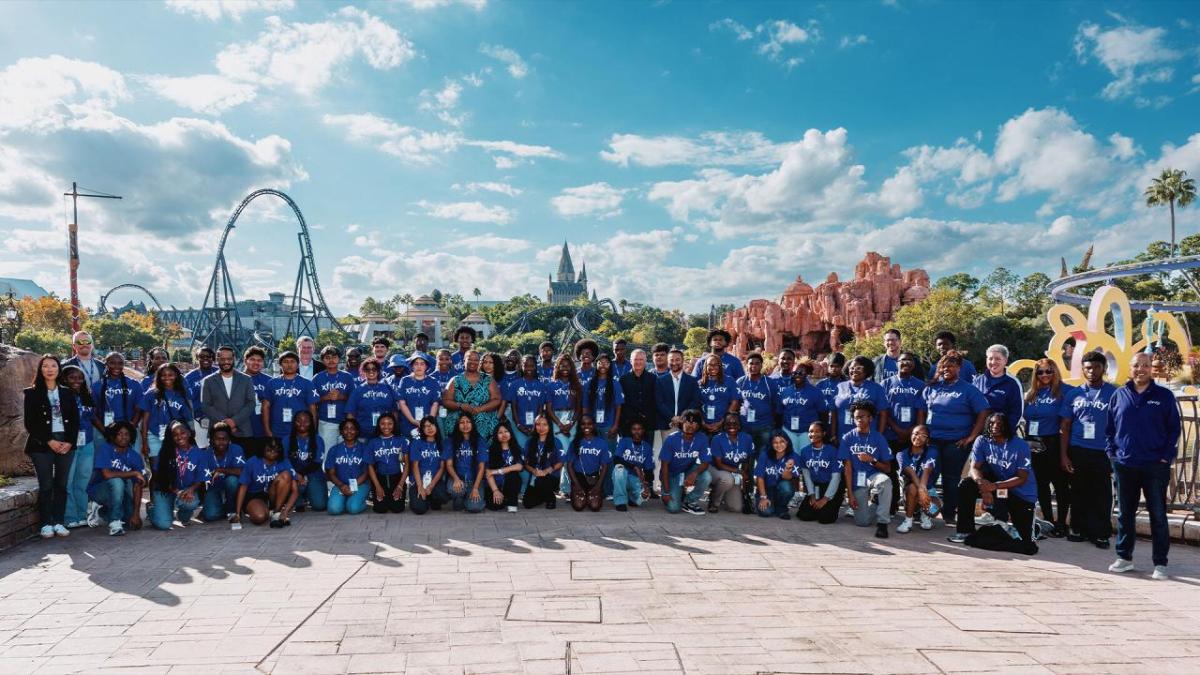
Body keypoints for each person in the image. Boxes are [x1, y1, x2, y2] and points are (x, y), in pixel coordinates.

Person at [1107, 352, 1181, 580]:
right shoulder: (1119, 394)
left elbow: (1174, 429)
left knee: (1157, 515)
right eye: (1136, 365)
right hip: (1125, 464)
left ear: (1151, 369)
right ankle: (1124, 558)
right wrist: (1112, 454)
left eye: (1145, 365)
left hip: (1154, 466)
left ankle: (1160, 563)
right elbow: (1110, 428)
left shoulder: (1164, 396)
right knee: (1125, 514)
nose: (1141, 369)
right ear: (1130, 368)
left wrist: (1165, 457)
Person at [947, 413, 1037, 551]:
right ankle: (965, 531)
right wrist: (982, 486)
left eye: (999, 424)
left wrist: (993, 486)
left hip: (1021, 494)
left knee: (1025, 539)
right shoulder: (982, 440)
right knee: (966, 485)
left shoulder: (1020, 445)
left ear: (1007, 426)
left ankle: (1037, 527)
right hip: (999, 488)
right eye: (991, 423)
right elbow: (974, 468)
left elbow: (1022, 478)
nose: (995, 426)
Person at [923, 350, 990, 526]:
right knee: (927, 474)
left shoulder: (968, 389)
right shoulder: (933, 387)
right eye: (943, 366)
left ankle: (949, 513)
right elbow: (922, 410)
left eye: (951, 366)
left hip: (956, 442)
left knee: (950, 479)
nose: (946, 369)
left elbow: (983, 412)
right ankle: (927, 510)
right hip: (933, 440)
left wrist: (972, 437)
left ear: (959, 368)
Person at [1060, 350, 1118, 548]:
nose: (1092, 371)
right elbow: (1065, 426)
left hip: (1103, 451)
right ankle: (1077, 529)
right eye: (1088, 368)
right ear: (1083, 370)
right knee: (1078, 491)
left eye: (1096, 367)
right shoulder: (1074, 394)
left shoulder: (1114, 393)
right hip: (1078, 449)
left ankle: (1100, 533)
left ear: (1104, 368)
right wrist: (1064, 455)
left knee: (1102, 494)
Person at [24, 354, 81, 538]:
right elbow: (30, 423)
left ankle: (59, 521)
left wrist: (70, 442)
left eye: (53, 366)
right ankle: (46, 523)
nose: (50, 369)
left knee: (62, 485)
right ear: (40, 370)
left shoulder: (67, 392)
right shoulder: (32, 393)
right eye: (45, 366)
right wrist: (49, 440)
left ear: (59, 369)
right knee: (46, 484)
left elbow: (75, 420)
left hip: (66, 442)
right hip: (41, 444)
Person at [1023, 358, 1071, 537]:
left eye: (1048, 371)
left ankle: (1062, 523)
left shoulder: (1065, 391)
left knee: (1060, 485)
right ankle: (1049, 521)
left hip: (1054, 442)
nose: (1044, 375)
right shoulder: (1031, 394)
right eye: (1040, 372)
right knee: (1041, 485)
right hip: (1033, 442)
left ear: (1055, 371)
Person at [839, 400, 894, 538]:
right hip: (857, 481)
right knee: (862, 522)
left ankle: (882, 523)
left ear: (870, 418)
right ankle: (876, 501)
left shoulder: (879, 438)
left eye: (862, 416)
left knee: (885, 481)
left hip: (873, 476)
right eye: (856, 417)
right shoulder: (847, 438)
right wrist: (850, 494)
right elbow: (847, 469)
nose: (859, 420)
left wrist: (872, 460)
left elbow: (887, 468)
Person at [883, 352, 927, 515]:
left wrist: (914, 432)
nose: (906, 363)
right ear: (897, 363)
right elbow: (884, 411)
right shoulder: (886, 383)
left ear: (914, 365)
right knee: (890, 471)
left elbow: (921, 411)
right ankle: (892, 505)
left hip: (912, 437)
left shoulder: (921, 385)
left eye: (910, 360)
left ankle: (913, 507)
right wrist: (896, 429)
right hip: (891, 434)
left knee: (911, 472)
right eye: (902, 360)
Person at [149, 421, 213, 530]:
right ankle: (152, 509)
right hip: (166, 490)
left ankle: (183, 516)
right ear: (171, 437)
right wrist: (177, 491)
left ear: (189, 433)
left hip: (187, 489)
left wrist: (192, 489)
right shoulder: (165, 452)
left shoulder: (199, 453)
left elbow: (201, 478)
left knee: (190, 503)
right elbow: (160, 478)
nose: (179, 437)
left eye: (182, 433)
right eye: (175, 435)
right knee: (163, 525)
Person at [91, 421, 146, 535]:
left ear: (131, 436)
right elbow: (107, 475)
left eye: (126, 434)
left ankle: (102, 511)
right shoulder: (106, 449)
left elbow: (138, 484)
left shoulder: (134, 456)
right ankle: (114, 521)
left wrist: (136, 514)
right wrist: (133, 473)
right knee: (117, 481)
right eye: (119, 434)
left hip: (119, 494)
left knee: (130, 520)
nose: (123, 437)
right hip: (99, 491)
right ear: (113, 436)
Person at [201, 345, 257, 452]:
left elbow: (251, 403)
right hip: (218, 432)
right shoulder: (208, 381)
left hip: (242, 431)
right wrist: (225, 423)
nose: (226, 362)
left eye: (229, 359)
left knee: (243, 461)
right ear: (217, 360)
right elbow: (206, 406)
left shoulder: (246, 379)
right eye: (222, 359)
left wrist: (234, 421)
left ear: (234, 359)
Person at [61, 364, 96, 529]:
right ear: (64, 379)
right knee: (68, 480)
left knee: (83, 480)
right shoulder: (61, 396)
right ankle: (69, 516)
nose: (77, 381)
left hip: (87, 442)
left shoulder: (86, 396)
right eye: (72, 378)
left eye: (80, 378)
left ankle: (82, 515)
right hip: (69, 443)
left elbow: (92, 417)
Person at [234, 437, 297, 528]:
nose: (272, 452)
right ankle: (267, 511)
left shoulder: (284, 461)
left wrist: (286, 511)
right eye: (269, 449)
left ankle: (276, 512)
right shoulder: (252, 462)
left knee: (286, 475)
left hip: (274, 495)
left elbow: (295, 490)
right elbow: (243, 487)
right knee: (259, 517)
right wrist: (237, 513)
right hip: (255, 496)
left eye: (276, 450)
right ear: (262, 449)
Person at [138, 363, 193, 465]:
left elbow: (187, 419)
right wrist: (144, 442)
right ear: (158, 377)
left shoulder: (182, 394)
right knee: (156, 468)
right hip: (154, 435)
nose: (167, 378)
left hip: (175, 436)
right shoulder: (151, 394)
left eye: (170, 375)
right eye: (163, 375)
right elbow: (145, 421)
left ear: (176, 376)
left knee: (173, 468)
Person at [659, 409, 711, 515]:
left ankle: (689, 501)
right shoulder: (671, 439)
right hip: (672, 474)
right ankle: (676, 491)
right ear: (681, 423)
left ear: (699, 425)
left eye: (694, 422)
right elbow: (664, 467)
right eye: (687, 422)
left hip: (687, 470)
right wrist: (666, 492)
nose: (690, 425)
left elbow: (705, 463)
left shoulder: (702, 438)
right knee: (673, 508)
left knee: (706, 477)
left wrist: (694, 474)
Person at [442, 350, 501, 443]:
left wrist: (480, 409)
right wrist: (461, 406)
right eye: (470, 359)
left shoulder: (488, 379)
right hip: (459, 424)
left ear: (479, 362)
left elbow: (496, 399)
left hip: (485, 424)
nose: (473, 362)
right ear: (464, 361)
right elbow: (446, 401)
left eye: (476, 360)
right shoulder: (455, 380)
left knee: (484, 450)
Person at [736, 353, 777, 484]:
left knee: (763, 458)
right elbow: (735, 403)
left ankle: (762, 489)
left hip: (764, 427)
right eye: (751, 363)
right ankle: (747, 489)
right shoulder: (740, 382)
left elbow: (776, 405)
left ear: (761, 365)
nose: (753, 366)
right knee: (746, 459)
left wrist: (774, 425)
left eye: (757, 363)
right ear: (746, 365)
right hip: (745, 427)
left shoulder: (769, 383)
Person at [92, 352, 143, 448]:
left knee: (131, 457)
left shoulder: (134, 384)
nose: (116, 366)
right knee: (105, 457)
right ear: (106, 364)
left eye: (120, 363)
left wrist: (130, 428)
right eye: (112, 363)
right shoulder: (97, 386)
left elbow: (139, 410)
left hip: (128, 432)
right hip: (104, 431)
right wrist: (106, 432)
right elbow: (93, 413)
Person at [655, 347, 701, 452]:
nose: (674, 363)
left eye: (677, 360)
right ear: (668, 361)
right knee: (667, 455)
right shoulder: (660, 381)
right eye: (671, 360)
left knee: (684, 454)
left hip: (686, 424)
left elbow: (695, 401)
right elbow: (659, 402)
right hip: (667, 425)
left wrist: (682, 417)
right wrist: (672, 417)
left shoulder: (692, 381)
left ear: (682, 361)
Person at [797, 421, 844, 524]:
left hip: (831, 486)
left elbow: (836, 477)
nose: (813, 434)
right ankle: (819, 508)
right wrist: (812, 495)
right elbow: (807, 476)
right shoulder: (805, 451)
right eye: (811, 431)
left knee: (825, 519)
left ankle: (830, 505)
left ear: (824, 433)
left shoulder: (832, 451)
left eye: (817, 431)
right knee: (804, 515)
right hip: (816, 487)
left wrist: (825, 499)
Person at [896, 424, 939, 533]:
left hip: (927, 489)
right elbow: (911, 473)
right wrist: (921, 490)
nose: (918, 437)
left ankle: (925, 515)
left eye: (923, 435)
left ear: (927, 440)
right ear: (911, 435)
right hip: (910, 492)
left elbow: (927, 470)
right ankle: (908, 520)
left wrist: (924, 491)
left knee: (935, 510)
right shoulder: (901, 454)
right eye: (916, 434)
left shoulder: (932, 451)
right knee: (913, 488)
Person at [324, 418, 371, 516]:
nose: (349, 431)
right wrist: (342, 485)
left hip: (360, 484)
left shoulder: (364, 448)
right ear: (341, 431)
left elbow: (366, 473)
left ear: (357, 431)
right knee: (333, 509)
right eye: (346, 428)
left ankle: (359, 502)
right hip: (341, 484)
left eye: (352, 428)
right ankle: (346, 501)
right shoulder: (334, 449)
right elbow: (331, 473)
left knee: (353, 508)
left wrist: (353, 487)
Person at [313, 345, 356, 452]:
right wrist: (325, 397)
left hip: (345, 421)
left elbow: (354, 400)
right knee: (327, 452)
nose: (331, 360)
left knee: (344, 453)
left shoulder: (347, 377)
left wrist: (341, 396)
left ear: (339, 359)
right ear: (322, 360)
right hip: (326, 421)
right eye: (327, 358)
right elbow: (312, 401)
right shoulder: (317, 378)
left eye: (334, 357)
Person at [777, 360, 828, 452]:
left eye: (801, 373)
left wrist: (822, 433)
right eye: (795, 373)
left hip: (807, 433)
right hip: (788, 431)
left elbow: (823, 414)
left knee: (806, 458)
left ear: (806, 374)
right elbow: (779, 413)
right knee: (791, 458)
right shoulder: (785, 392)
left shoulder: (816, 392)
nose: (797, 375)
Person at [708, 413, 753, 514]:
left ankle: (723, 492)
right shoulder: (717, 439)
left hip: (733, 472)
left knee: (736, 508)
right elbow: (719, 465)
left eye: (735, 423)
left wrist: (744, 476)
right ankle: (714, 501)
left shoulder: (747, 438)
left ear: (739, 425)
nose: (732, 426)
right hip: (715, 469)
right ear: (724, 426)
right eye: (728, 424)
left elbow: (746, 459)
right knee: (727, 480)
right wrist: (739, 471)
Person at [973, 344, 1023, 434]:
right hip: (978, 433)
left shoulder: (1013, 383)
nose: (993, 362)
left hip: (1002, 434)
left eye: (997, 359)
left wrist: (1004, 433)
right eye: (990, 358)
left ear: (1005, 361)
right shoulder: (978, 381)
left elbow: (1017, 412)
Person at [283, 410, 327, 512]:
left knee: (319, 506)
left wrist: (302, 474)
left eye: (306, 421)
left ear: (311, 423)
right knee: (291, 479)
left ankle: (310, 493)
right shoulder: (286, 439)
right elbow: (285, 461)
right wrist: (296, 475)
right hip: (294, 474)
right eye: (299, 421)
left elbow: (317, 463)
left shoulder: (318, 439)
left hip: (313, 473)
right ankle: (299, 499)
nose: (302, 424)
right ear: (294, 422)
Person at [566, 414, 610, 512]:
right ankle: (579, 494)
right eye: (583, 424)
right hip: (578, 478)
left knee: (595, 506)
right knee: (578, 506)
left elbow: (604, 466)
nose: (586, 426)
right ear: (580, 426)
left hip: (594, 478)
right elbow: (569, 465)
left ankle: (589, 496)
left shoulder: (601, 443)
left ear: (594, 425)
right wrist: (576, 484)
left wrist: (598, 486)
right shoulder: (575, 442)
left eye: (589, 424)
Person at [201, 422, 243, 522]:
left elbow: (242, 472)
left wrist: (220, 470)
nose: (221, 442)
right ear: (211, 440)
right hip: (214, 487)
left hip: (231, 486)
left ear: (229, 439)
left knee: (232, 481)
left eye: (224, 439)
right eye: (217, 439)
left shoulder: (236, 449)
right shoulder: (205, 454)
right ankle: (222, 508)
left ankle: (232, 510)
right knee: (210, 516)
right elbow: (201, 481)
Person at [346, 359, 397, 440]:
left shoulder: (387, 388)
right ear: (363, 371)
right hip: (363, 435)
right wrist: (354, 432)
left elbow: (394, 411)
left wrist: (395, 430)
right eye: (368, 369)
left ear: (378, 371)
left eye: (374, 369)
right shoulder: (358, 390)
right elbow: (350, 414)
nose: (371, 371)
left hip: (384, 434)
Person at [445, 414, 487, 513]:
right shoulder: (450, 441)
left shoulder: (480, 441)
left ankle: (469, 499)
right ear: (457, 425)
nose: (465, 425)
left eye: (468, 422)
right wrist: (456, 479)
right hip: (458, 477)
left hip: (474, 480)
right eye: (462, 422)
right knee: (454, 490)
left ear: (472, 424)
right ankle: (460, 499)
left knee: (475, 508)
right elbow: (449, 465)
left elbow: (481, 467)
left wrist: (475, 488)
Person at [367, 413, 408, 514]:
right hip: (380, 478)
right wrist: (377, 486)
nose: (386, 426)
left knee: (397, 509)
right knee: (380, 509)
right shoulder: (373, 442)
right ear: (378, 425)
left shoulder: (401, 440)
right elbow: (370, 466)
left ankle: (391, 499)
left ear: (394, 425)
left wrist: (400, 486)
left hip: (397, 478)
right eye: (383, 424)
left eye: (390, 423)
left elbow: (407, 464)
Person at [506, 355, 547, 453]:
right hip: (519, 424)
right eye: (526, 365)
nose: (529, 368)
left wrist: (536, 425)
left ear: (535, 367)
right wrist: (518, 425)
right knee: (520, 451)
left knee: (533, 452)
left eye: (531, 366)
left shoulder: (541, 385)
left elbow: (541, 408)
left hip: (535, 426)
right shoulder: (515, 384)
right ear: (521, 366)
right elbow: (513, 407)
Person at [409, 416, 451, 514]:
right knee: (419, 509)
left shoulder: (443, 444)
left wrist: (431, 486)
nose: (429, 428)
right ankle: (420, 499)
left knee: (443, 497)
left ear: (437, 426)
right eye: (426, 426)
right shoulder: (417, 443)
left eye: (432, 425)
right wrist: (420, 486)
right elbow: (415, 466)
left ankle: (431, 498)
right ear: (422, 429)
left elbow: (442, 468)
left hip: (434, 480)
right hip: (418, 481)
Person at [523, 414, 565, 509]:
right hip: (535, 475)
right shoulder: (529, 442)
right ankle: (544, 496)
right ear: (534, 426)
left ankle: (551, 499)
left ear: (550, 426)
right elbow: (525, 463)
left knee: (541, 481)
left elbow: (561, 462)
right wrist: (533, 471)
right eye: (538, 424)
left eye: (545, 424)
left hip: (551, 476)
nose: (541, 428)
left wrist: (546, 471)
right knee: (527, 503)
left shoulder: (556, 442)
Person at [396, 352, 441, 440]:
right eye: (416, 364)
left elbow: (435, 404)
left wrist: (428, 422)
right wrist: (413, 420)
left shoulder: (433, 381)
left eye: (422, 364)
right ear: (412, 366)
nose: (419, 366)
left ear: (426, 366)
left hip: (427, 425)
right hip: (408, 423)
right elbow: (402, 403)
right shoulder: (405, 380)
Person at [754, 431, 799, 519]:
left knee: (786, 487)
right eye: (775, 442)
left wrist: (788, 468)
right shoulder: (765, 454)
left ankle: (781, 508)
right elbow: (760, 477)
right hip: (766, 489)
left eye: (782, 441)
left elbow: (787, 477)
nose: (779, 445)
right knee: (766, 512)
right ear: (771, 444)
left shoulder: (794, 456)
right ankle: (770, 504)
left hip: (780, 489)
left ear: (787, 442)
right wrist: (763, 497)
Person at [611, 420, 654, 512]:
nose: (637, 432)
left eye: (639, 429)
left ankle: (632, 498)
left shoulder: (647, 446)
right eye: (634, 429)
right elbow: (616, 459)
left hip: (636, 478)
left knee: (641, 499)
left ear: (643, 430)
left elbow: (648, 469)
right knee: (619, 469)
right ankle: (620, 502)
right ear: (630, 430)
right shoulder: (624, 441)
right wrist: (634, 466)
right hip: (623, 476)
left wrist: (647, 486)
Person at [546, 354, 583, 458]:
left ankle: (569, 468)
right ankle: (561, 468)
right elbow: (549, 408)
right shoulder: (551, 385)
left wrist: (571, 423)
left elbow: (578, 408)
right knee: (560, 447)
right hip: (556, 418)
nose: (565, 368)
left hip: (572, 417)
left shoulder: (577, 385)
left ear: (572, 367)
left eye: (568, 365)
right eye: (562, 365)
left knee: (571, 447)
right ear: (558, 367)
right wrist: (560, 424)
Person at [240, 346, 273, 458]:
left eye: (259, 360)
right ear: (245, 361)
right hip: (242, 431)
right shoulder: (236, 379)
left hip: (262, 430)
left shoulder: (269, 381)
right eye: (252, 360)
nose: (256, 363)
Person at [585, 353, 624, 448]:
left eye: (606, 363)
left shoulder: (615, 384)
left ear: (610, 365)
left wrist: (615, 425)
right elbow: (585, 406)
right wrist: (586, 424)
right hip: (592, 425)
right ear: (596, 364)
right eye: (600, 363)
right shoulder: (589, 384)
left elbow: (618, 406)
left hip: (609, 426)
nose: (603, 365)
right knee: (594, 452)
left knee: (609, 452)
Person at [483, 421, 523, 512]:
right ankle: (503, 498)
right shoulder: (491, 450)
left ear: (510, 433)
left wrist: (498, 471)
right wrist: (495, 490)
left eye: (506, 431)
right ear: (496, 435)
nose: (504, 434)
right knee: (494, 506)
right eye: (500, 433)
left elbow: (519, 466)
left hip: (509, 483)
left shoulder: (516, 449)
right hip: (495, 485)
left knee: (514, 476)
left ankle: (512, 504)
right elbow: (488, 473)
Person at [697, 354, 741, 436]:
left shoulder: (729, 380)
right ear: (705, 367)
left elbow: (735, 402)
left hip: (724, 425)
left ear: (720, 366)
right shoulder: (699, 384)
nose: (713, 367)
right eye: (710, 364)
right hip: (704, 427)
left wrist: (722, 422)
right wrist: (702, 422)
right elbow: (696, 405)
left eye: (716, 364)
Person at [183, 347, 216, 445]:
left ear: (213, 358)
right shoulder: (189, 377)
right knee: (202, 447)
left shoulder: (219, 373)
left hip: (218, 418)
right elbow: (185, 399)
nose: (205, 359)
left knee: (218, 447)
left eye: (208, 356)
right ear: (197, 358)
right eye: (202, 356)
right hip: (198, 419)